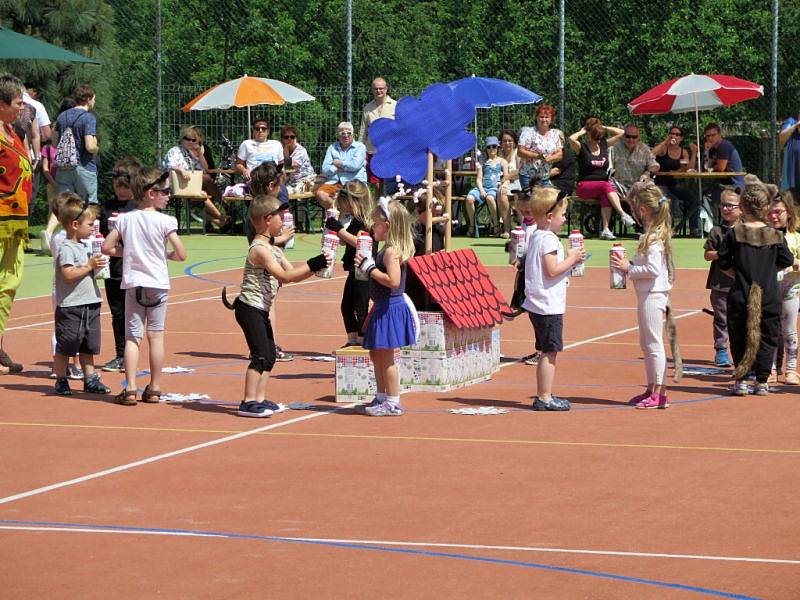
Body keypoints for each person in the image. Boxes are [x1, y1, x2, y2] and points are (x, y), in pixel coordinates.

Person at [226, 195, 331, 417]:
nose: (283, 222)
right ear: (267, 219)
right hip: (249, 308)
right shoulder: (259, 249)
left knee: (270, 355)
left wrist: (318, 267)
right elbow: (285, 275)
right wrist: (314, 264)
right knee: (260, 355)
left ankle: (260, 398)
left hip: (261, 308)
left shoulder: (273, 248)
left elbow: (291, 273)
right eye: (280, 217)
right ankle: (248, 401)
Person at [101, 167, 187, 405]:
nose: (169, 195)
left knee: (132, 337)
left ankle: (130, 388)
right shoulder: (166, 220)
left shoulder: (125, 219)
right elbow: (181, 254)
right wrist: (164, 254)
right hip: (158, 283)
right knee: (156, 336)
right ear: (151, 193)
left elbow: (107, 247)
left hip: (134, 283)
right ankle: (155, 387)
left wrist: (127, 252)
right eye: (165, 191)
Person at [716, 175, 797, 396]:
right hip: (769, 293)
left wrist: (739, 275)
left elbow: (723, 263)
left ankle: (742, 378)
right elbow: (787, 261)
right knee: (768, 336)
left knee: (740, 335)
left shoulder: (734, 233)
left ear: (742, 207)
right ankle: (762, 380)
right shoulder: (774, 234)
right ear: (765, 207)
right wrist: (769, 272)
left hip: (741, 292)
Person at [610, 182, 681, 409]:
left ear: (643, 210)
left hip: (653, 294)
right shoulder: (650, 235)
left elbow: (653, 270)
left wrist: (627, 269)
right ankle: (652, 387)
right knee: (647, 343)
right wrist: (629, 266)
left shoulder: (653, 238)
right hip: (647, 293)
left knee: (653, 343)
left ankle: (660, 393)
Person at [522, 187, 586, 411]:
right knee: (550, 351)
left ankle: (545, 393)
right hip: (547, 304)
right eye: (563, 214)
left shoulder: (536, 235)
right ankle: (544, 396)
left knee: (546, 350)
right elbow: (552, 270)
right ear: (550, 217)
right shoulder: (547, 239)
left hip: (539, 302)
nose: (565, 218)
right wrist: (572, 258)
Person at [354, 199, 417, 416]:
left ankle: (393, 400)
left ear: (387, 225)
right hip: (381, 306)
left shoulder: (392, 252)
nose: (373, 226)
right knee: (376, 352)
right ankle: (381, 396)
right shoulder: (385, 249)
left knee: (387, 356)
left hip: (391, 307)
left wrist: (370, 268)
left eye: (376, 222)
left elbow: (393, 281)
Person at [51, 193, 111, 396]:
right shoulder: (67, 247)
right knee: (66, 345)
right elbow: (68, 274)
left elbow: (88, 272)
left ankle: (90, 378)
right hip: (71, 306)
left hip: (91, 302)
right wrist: (89, 266)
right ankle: (61, 379)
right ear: (75, 225)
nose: (93, 227)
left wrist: (99, 267)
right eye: (90, 224)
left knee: (89, 344)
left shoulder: (86, 245)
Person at [0, 73, 32, 375]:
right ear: (1, 104)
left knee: (8, 285)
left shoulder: (13, 131)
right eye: (18, 103)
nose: (22, 108)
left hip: (16, 223)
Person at [247, 161, 294, 361]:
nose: (281, 189)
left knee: (267, 305)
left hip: (268, 260)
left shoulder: (260, 208)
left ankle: (264, 344)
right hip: (264, 266)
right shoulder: (263, 212)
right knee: (267, 306)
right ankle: (268, 345)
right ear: (270, 187)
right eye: (278, 185)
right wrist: (281, 240)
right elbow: (263, 241)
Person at [99, 157, 141, 372]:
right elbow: (100, 236)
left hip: (135, 271)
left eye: (123, 184)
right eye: (116, 183)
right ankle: (120, 355)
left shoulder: (140, 208)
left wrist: (126, 252)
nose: (119, 188)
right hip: (113, 271)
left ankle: (133, 354)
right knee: (118, 314)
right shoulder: (106, 207)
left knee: (136, 314)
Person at [324, 180, 376, 347]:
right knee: (346, 306)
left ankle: (362, 341)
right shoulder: (354, 220)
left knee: (361, 308)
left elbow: (359, 241)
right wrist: (334, 227)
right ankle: (352, 339)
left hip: (364, 270)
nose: (345, 208)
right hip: (354, 270)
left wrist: (339, 229)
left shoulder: (367, 221)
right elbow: (343, 242)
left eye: (346, 204)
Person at [569, 117, 637, 240]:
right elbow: (571, 139)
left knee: (606, 194)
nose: (597, 140)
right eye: (595, 137)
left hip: (602, 188)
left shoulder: (604, 144)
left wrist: (602, 127)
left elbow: (622, 133)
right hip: (584, 186)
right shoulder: (581, 147)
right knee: (606, 185)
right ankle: (623, 215)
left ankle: (605, 229)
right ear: (588, 134)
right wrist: (583, 131)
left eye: (599, 137)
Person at [703, 188, 740, 368]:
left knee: (741, 319)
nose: (726, 209)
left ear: (741, 208)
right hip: (720, 284)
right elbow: (707, 255)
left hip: (741, 283)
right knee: (721, 318)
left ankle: (741, 351)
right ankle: (721, 350)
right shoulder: (716, 231)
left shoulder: (745, 230)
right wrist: (722, 253)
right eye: (723, 205)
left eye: (730, 206)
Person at [162, 125, 226, 228]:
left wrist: (199, 154)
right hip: (173, 186)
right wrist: (181, 170)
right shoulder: (175, 150)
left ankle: (220, 221)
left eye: (194, 140)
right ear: (182, 139)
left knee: (201, 194)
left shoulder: (189, 153)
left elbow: (204, 170)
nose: (192, 142)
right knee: (200, 195)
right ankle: (222, 218)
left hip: (187, 186)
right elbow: (169, 165)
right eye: (189, 139)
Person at [767, 191, 800, 385]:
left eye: (778, 212)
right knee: (769, 330)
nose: (774, 216)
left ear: (788, 212)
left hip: (791, 290)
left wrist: (794, 262)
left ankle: (790, 369)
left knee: (789, 330)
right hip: (769, 290)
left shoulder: (796, 238)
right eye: (770, 212)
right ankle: (769, 369)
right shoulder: (764, 235)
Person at [52, 84, 99, 204]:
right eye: (94, 99)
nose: (94, 102)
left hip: (64, 166)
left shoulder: (62, 116)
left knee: (67, 205)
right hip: (84, 166)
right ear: (88, 99)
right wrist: (96, 147)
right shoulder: (89, 118)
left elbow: (54, 142)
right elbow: (90, 146)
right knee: (88, 205)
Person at [652, 125, 701, 236]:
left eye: (677, 134)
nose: (673, 136)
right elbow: (651, 154)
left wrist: (694, 153)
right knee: (668, 200)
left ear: (681, 138)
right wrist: (666, 141)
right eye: (671, 133)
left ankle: (694, 229)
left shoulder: (683, 152)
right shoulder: (664, 148)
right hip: (660, 184)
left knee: (694, 199)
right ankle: (669, 229)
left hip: (674, 184)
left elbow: (689, 169)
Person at [316, 121, 367, 209]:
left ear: (353, 134)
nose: (346, 135)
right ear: (338, 135)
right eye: (342, 133)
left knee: (348, 197)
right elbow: (325, 168)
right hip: (335, 182)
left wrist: (339, 163)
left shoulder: (360, 147)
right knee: (320, 194)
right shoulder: (332, 148)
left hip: (354, 182)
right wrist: (335, 167)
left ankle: (343, 213)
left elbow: (355, 165)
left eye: (349, 133)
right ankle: (338, 211)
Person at [465, 136, 507, 237]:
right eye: (489, 147)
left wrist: (503, 186)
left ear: (498, 148)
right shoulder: (482, 162)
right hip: (482, 188)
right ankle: (471, 225)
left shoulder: (502, 161)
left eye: (494, 146)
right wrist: (481, 190)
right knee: (469, 198)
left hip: (495, 188)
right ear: (486, 149)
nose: (491, 149)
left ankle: (496, 225)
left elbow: (506, 177)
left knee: (490, 198)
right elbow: (479, 179)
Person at [359, 77, 397, 187]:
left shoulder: (396, 106)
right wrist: (360, 150)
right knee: (376, 184)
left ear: (386, 89)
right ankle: (377, 204)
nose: (378, 91)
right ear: (372, 90)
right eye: (376, 89)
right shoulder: (367, 108)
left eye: (381, 88)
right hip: (372, 151)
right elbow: (363, 130)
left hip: (390, 152)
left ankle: (389, 203)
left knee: (390, 184)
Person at [517, 104, 563, 190]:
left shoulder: (555, 134)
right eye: (541, 117)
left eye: (547, 117)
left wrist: (551, 158)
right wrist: (537, 156)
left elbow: (560, 154)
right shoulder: (528, 132)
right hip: (528, 176)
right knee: (530, 202)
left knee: (545, 202)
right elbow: (520, 151)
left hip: (545, 176)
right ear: (536, 118)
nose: (544, 119)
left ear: (551, 119)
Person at [609, 123, 660, 200]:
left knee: (653, 194)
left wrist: (648, 172)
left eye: (634, 137)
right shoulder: (615, 148)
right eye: (628, 136)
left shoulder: (644, 149)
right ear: (623, 136)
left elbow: (655, 165)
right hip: (620, 187)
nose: (631, 139)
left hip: (639, 186)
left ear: (638, 137)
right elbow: (607, 168)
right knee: (609, 189)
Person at [703, 123, 745, 206]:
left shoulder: (724, 146)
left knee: (706, 197)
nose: (710, 138)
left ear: (719, 134)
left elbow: (720, 168)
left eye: (713, 135)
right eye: (708, 136)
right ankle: (716, 218)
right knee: (702, 194)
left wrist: (711, 167)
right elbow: (707, 166)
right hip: (723, 184)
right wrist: (706, 151)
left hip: (733, 186)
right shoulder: (713, 149)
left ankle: (713, 219)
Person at [281, 125, 316, 194]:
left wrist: (286, 154)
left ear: (296, 138)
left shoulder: (301, 150)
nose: (289, 139)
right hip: (291, 183)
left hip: (305, 180)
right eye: (286, 137)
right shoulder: (280, 150)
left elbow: (292, 168)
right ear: (282, 139)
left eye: (292, 137)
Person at [499, 129, 520, 228]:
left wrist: (506, 177)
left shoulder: (517, 153)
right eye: (504, 141)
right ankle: (507, 228)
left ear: (514, 142)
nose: (507, 143)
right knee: (502, 194)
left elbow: (520, 170)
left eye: (510, 141)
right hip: (501, 184)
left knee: (518, 196)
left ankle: (523, 226)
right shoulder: (498, 154)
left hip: (517, 182)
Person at [779, 115, 800, 198]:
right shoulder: (792, 121)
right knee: (790, 198)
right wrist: (795, 126)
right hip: (792, 173)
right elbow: (781, 138)